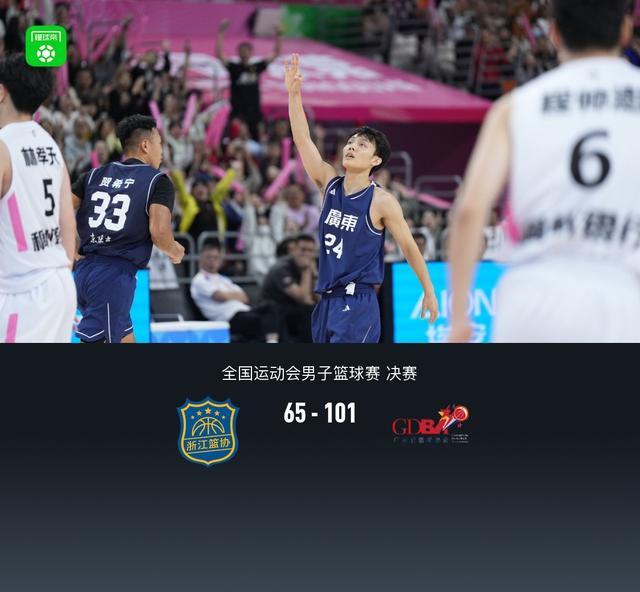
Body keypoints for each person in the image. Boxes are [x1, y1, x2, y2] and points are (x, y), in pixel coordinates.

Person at [449, 0, 640, 343]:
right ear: (625, 31)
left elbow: (469, 210)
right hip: (623, 293)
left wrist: (460, 317)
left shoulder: (515, 106)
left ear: (554, 34)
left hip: (532, 295)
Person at [284, 53, 438, 343]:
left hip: (357, 303)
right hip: (326, 302)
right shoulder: (328, 182)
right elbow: (302, 139)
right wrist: (294, 95)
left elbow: (408, 246)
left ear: (375, 160)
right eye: (350, 142)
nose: (351, 147)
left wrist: (428, 290)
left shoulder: (381, 201)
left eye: (362, 145)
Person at [72, 115, 184, 342]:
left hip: (82, 274)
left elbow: (59, 210)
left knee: (124, 339)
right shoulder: (158, 181)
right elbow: (159, 233)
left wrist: (72, 246)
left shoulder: (93, 175)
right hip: (113, 277)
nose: (162, 152)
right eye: (159, 143)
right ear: (145, 145)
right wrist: (175, 251)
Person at [0, 53, 76, 342]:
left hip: (22, 293)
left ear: (1, 92)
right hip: (59, 285)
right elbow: (68, 228)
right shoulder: (50, 145)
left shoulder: (4, 146)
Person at [191, 242, 279, 342]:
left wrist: (228, 295)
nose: (212, 260)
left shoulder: (223, 279)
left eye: (215, 257)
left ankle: (273, 342)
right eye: (208, 257)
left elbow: (244, 297)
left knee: (272, 307)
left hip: (244, 311)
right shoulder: (199, 280)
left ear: (220, 260)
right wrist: (233, 295)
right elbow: (220, 296)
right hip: (227, 318)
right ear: (201, 259)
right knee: (262, 321)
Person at [216, 18, 282, 140]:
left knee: (260, 140)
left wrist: (278, 35)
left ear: (251, 52)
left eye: (246, 50)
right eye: (242, 50)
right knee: (237, 138)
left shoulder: (256, 68)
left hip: (254, 113)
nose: (244, 52)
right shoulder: (234, 68)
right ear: (238, 53)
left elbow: (276, 53)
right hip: (238, 113)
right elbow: (219, 54)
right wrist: (221, 32)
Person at [260, 234, 318, 342]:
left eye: (310, 251)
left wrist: (314, 275)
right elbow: (303, 299)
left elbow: (318, 298)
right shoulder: (281, 268)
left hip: (293, 309)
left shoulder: (312, 264)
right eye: (303, 250)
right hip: (274, 311)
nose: (306, 254)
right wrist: (306, 271)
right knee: (310, 310)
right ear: (294, 250)